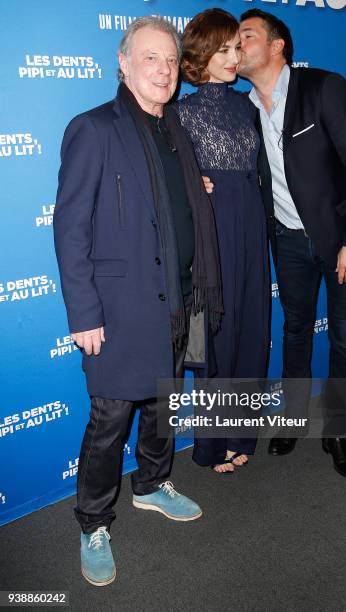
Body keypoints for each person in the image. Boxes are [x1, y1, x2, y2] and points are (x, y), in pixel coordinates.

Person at [53, 16, 223, 586]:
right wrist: (84, 314)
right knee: (109, 420)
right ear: (123, 64)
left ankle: (152, 484)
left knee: (164, 405)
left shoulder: (177, 132)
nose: (163, 70)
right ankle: (93, 521)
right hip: (119, 308)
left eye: (171, 61)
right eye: (149, 58)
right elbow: (70, 229)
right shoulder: (93, 128)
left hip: (177, 299)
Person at [238, 9, 346, 478]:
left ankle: (337, 432)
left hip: (343, 242)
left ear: (278, 44)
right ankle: (293, 419)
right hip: (287, 242)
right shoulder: (244, 108)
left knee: (345, 338)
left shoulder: (324, 88)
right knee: (296, 333)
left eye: (247, 35)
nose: (237, 44)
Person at [174, 9, 270, 474]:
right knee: (218, 334)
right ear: (201, 54)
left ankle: (241, 433)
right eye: (224, 49)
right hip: (212, 232)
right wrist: (198, 183)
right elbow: (172, 179)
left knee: (252, 330)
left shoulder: (248, 106)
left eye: (237, 47)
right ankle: (211, 444)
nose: (234, 57)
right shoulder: (181, 113)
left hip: (250, 226)